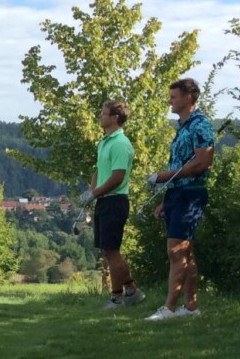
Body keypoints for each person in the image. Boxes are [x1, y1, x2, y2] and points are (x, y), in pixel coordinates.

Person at [144, 77, 215, 321]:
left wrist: (164, 176)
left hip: (191, 194)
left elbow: (203, 162)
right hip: (176, 194)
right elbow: (180, 164)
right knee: (185, 252)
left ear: (188, 98)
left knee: (176, 251)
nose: (170, 101)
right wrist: (166, 200)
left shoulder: (201, 125)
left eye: (174, 97)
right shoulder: (183, 127)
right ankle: (191, 308)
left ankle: (169, 309)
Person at [80, 99, 144, 310]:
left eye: (103, 113)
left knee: (112, 250)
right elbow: (100, 170)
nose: (100, 116)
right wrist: (91, 192)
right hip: (104, 200)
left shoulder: (120, 144)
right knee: (107, 250)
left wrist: (95, 193)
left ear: (115, 118)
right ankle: (132, 290)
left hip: (115, 200)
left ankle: (117, 298)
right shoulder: (105, 142)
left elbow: (117, 177)